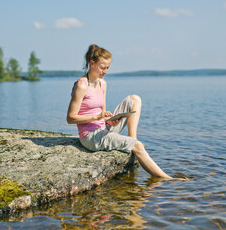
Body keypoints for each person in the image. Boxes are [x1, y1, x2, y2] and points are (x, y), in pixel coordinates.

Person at [67, 44, 172, 179]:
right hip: (90, 137)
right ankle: (168, 179)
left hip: (103, 128)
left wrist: (111, 120)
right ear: (92, 64)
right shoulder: (81, 85)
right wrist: (96, 117)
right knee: (138, 146)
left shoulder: (102, 83)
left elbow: (102, 112)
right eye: (102, 67)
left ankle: (132, 137)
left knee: (134, 99)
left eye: (108, 68)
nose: (105, 71)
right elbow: (70, 118)